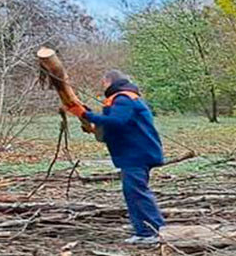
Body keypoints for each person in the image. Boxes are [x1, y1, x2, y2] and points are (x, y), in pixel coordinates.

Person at [64, 70, 166, 244]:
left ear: (109, 81)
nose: (102, 86)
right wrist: (93, 126)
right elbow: (115, 126)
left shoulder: (123, 99)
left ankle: (152, 231)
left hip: (137, 154)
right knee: (132, 192)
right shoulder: (124, 99)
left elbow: (117, 122)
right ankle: (143, 229)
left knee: (136, 192)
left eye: (103, 83)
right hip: (134, 153)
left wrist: (84, 114)